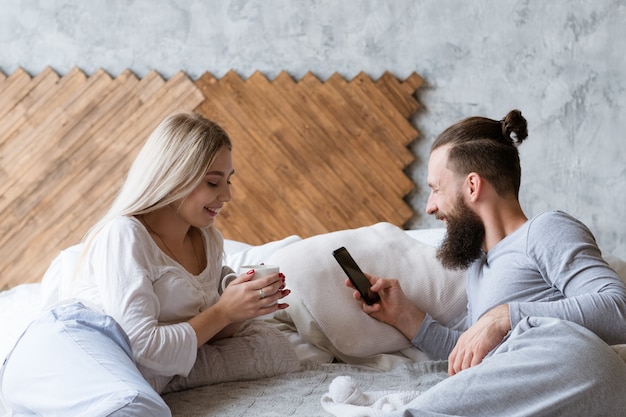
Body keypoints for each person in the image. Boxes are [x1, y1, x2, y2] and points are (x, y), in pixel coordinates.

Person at [0, 112, 291, 416]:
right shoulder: (125, 234)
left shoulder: (208, 239)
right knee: (138, 409)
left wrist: (242, 309)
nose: (227, 195)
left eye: (228, 181)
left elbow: (200, 334)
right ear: (175, 175)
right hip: (76, 342)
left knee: (275, 348)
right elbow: (144, 346)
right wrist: (223, 311)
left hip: (124, 366)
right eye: (213, 182)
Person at [347, 110, 626, 416]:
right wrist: (405, 317)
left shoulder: (545, 229)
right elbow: (472, 354)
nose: (430, 207)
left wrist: (505, 316)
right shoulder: (478, 268)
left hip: (573, 366)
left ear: (471, 186)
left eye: (436, 189)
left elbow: (619, 309)